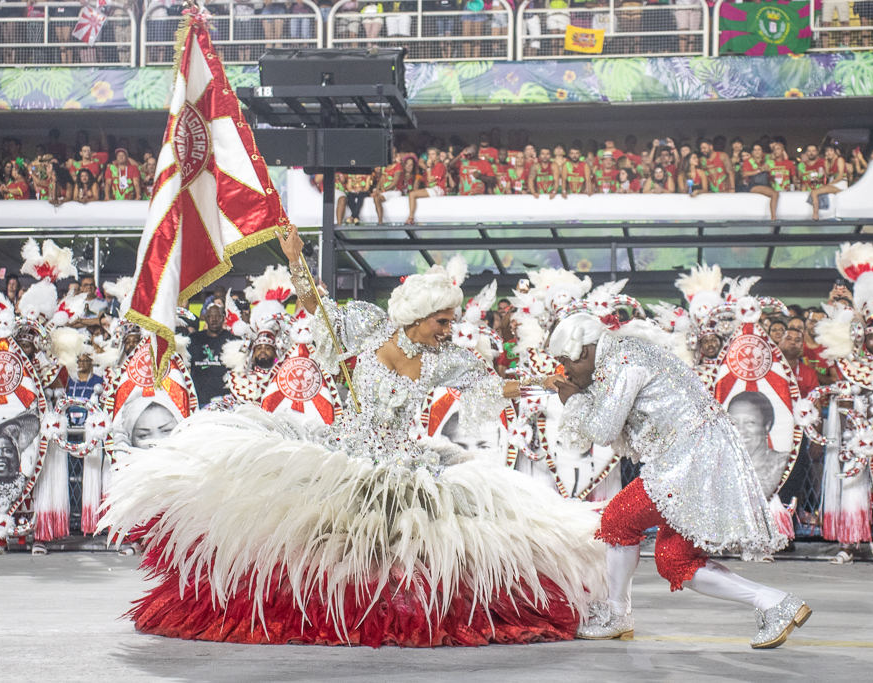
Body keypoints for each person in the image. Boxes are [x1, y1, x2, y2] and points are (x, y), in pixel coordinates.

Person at [100, 234, 604, 647]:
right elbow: (315, 304)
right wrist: (296, 260)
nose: (449, 330)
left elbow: (491, 386)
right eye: (442, 321)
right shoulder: (366, 326)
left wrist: (545, 382)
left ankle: (393, 613)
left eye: (451, 322)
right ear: (417, 316)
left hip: (404, 460)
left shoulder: (443, 360)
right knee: (325, 538)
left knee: (404, 544)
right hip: (347, 451)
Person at [547, 314, 809, 648]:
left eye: (565, 361)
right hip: (703, 455)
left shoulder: (623, 359)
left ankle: (616, 613)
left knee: (619, 518)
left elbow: (603, 430)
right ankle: (775, 603)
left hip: (688, 460)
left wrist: (574, 399)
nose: (564, 371)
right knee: (676, 559)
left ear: (584, 351)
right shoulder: (627, 353)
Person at [727, 391, 790, 498]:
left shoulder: (784, 464)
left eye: (750, 422)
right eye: (733, 423)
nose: (740, 430)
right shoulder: (720, 465)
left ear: (766, 426)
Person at [188, 302, 238, 407]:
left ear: (223, 318)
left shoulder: (233, 340)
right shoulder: (193, 339)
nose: (214, 319)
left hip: (224, 402)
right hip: (199, 401)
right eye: (210, 316)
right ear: (205, 318)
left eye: (217, 316)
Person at [406, 148, 446, 225]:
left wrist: (428, 167)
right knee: (414, 194)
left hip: (438, 189)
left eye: (433, 154)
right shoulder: (431, 167)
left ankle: (411, 218)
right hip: (431, 188)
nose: (430, 156)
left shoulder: (440, 165)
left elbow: (430, 179)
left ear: (437, 156)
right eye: (429, 154)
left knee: (412, 194)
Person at [740, 143, 779, 220]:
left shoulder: (766, 159)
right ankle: (773, 218)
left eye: (759, 149)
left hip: (764, 184)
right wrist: (759, 171)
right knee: (775, 194)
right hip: (753, 185)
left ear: (762, 151)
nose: (757, 152)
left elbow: (774, 155)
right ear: (752, 152)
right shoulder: (748, 161)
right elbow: (744, 174)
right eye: (755, 150)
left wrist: (773, 147)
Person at [810, 144, 848, 220]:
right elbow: (827, 175)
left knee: (814, 192)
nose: (828, 153)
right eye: (826, 151)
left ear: (835, 152)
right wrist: (826, 163)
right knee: (816, 191)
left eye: (831, 150)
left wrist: (829, 184)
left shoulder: (839, 159)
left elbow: (840, 176)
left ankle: (815, 215)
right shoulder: (829, 161)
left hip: (840, 183)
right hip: (834, 183)